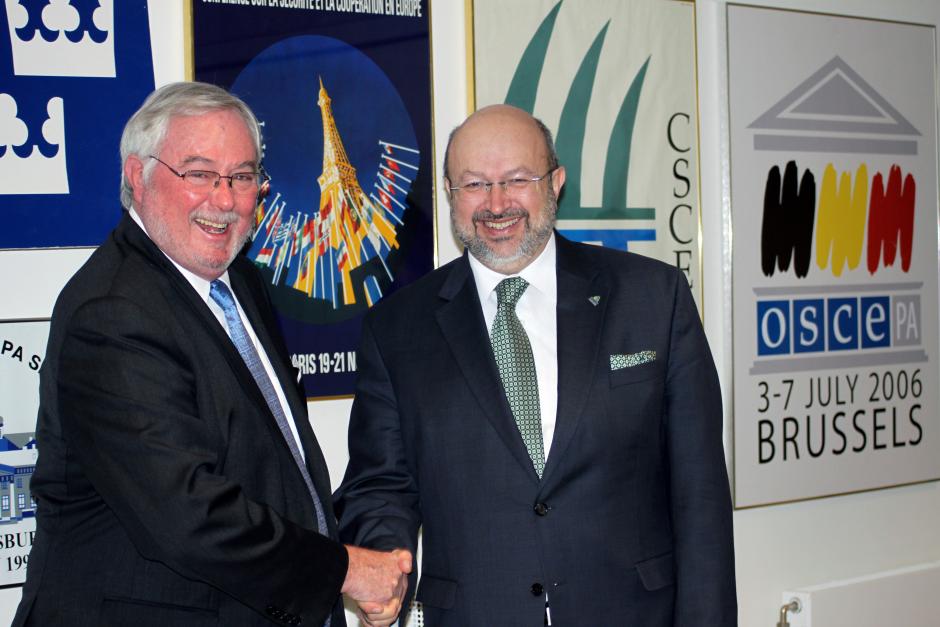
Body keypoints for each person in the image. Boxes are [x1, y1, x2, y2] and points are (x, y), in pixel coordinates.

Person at [13, 81, 410, 627]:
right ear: (137, 176)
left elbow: (271, 469)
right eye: (199, 174)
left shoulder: (240, 282)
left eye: (242, 177)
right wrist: (344, 571)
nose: (224, 201)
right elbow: (188, 514)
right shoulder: (112, 313)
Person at [334, 104, 737, 626]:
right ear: (450, 193)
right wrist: (384, 567)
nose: (497, 203)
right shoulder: (396, 329)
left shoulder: (653, 298)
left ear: (556, 183)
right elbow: (380, 484)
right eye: (474, 184)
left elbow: (700, 494)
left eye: (518, 179)